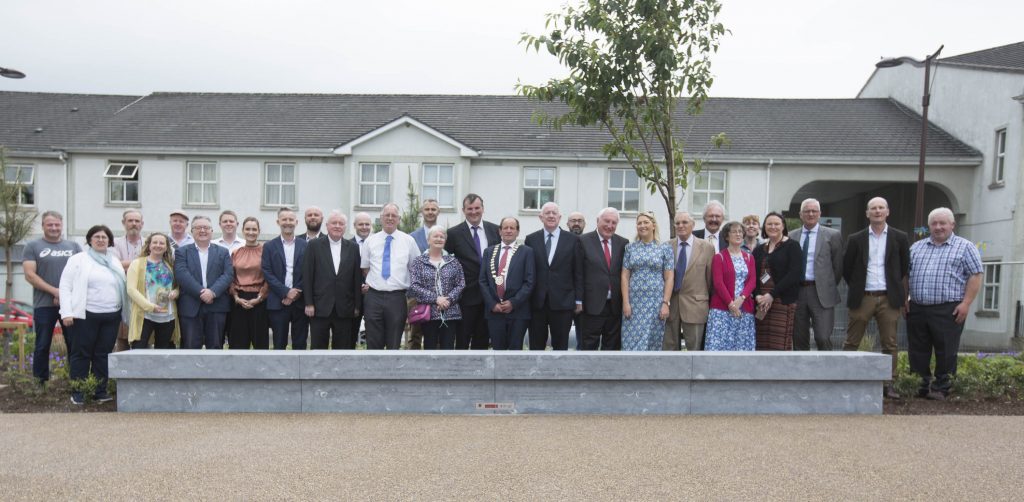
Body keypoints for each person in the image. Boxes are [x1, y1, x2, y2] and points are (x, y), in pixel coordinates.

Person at [907, 207, 982, 400]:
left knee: (946, 349)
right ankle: (919, 384)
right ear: (929, 226)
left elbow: (975, 275)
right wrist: (905, 299)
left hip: (949, 308)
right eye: (934, 223)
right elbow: (906, 275)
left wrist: (966, 303)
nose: (938, 227)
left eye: (942, 223)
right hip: (917, 306)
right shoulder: (917, 247)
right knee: (917, 349)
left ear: (952, 225)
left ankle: (942, 387)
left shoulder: (965, 247)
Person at [842, 197, 910, 398]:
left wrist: (895, 288)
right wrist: (857, 287)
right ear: (867, 213)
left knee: (889, 343)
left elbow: (904, 266)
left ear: (887, 211)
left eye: (881, 208)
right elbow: (847, 267)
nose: (877, 211)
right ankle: (845, 379)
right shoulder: (856, 238)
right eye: (873, 208)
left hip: (889, 298)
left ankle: (889, 383)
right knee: (851, 342)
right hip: (863, 296)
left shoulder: (900, 237)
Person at [58, 225, 126, 404]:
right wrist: (67, 312)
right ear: (89, 240)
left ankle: (99, 391)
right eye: (97, 237)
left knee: (103, 354)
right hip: (85, 315)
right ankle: (78, 392)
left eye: (104, 237)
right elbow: (65, 286)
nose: (101, 240)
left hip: (111, 315)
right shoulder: (78, 259)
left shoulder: (114, 260)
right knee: (81, 353)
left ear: (110, 241)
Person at [22, 211, 81, 386]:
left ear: (61, 225)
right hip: (44, 306)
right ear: (43, 226)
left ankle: (76, 382)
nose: (54, 228)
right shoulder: (32, 246)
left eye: (57, 224)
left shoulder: (74, 246)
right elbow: (29, 275)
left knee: (74, 344)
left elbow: (81, 274)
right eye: (50, 225)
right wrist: (56, 292)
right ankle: (40, 383)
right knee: (42, 345)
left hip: (70, 305)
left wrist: (65, 295)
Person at [445, 193, 500, 349]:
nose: (474, 212)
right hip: (466, 296)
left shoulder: (495, 230)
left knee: (482, 339)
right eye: (470, 209)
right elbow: (448, 263)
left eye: (477, 208)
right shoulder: (454, 233)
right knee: (462, 338)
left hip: (490, 295)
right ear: (464, 210)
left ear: (483, 209)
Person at [361, 203, 420, 349]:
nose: (390, 218)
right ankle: (374, 372)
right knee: (373, 342)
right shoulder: (370, 241)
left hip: (397, 298)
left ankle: (391, 372)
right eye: (386, 215)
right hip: (373, 297)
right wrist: (379, 283)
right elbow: (365, 268)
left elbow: (415, 268)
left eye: (393, 215)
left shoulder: (409, 241)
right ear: (381, 218)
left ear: (399, 219)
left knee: (394, 342)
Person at [525, 202, 582, 351]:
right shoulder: (531, 239)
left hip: (563, 302)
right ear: (541, 217)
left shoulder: (573, 240)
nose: (551, 216)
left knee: (561, 346)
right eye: (547, 213)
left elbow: (578, 272)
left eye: (554, 213)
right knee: (536, 346)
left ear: (560, 217)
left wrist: (578, 299)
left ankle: (558, 374)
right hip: (537, 303)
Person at [304, 211, 363, 349]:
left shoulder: (353, 248)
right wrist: (309, 303)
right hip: (319, 308)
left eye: (341, 223)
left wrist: (357, 306)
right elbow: (307, 276)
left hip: (345, 308)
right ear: (327, 225)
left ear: (345, 227)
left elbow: (356, 278)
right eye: (334, 223)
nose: (337, 226)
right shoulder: (314, 246)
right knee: (318, 348)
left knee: (342, 350)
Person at [174, 216, 234, 349]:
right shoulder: (182, 252)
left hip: (216, 305)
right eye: (198, 228)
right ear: (192, 231)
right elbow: (182, 275)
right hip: (190, 306)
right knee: (189, 347)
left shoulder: (223, 252)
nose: (202, 230)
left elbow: (228, 274)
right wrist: (202, 292)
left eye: (206, 228)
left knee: (215, 347)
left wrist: (212, 292)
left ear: (212, 231)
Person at [792, 198, 843, 351]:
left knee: (822, 337)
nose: (811, 214)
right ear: (800, 214)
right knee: (799, 338)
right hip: (798, 292)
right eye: (807, 211)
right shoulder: (792, 236)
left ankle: (827, 373)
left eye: (814, 211)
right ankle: (802, 373)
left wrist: (826, 285)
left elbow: (838, 266)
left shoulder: (833, 235)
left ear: (820, 214)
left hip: (821, 293)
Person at [621, 211, 673, 351]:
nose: (642, 225)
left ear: (653, 225)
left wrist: (665, 303)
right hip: (634, 302)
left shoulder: (665, 248)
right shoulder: (630, 248)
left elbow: (669, 278)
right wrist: (626, 302)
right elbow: (625, 276)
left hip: (655, 303)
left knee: (653, 339)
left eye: (646, 222)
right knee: (631, 341)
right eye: (639, 223)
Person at [480, 217, 535, 350]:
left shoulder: (526, 252)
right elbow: (482, 280)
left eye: (512, 228)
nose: (509, 231)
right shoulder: (489, 252)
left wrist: (514, 302)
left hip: (518, 311)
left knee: (514, 351)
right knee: (497, 351)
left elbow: (529, 282)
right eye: (505, 228)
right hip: (495, 312)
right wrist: (492, 304)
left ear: (517, 231)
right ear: (500, 231)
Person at [577, 207, 628, 350]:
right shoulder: (583, 241)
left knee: (612, 347)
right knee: (588, 346)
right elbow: (579, 274)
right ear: (598, 221)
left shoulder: (623, 243)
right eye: (607, 221)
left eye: (614, 223)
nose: (610, 226)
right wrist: (578, 300)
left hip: (615, 306)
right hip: (591, 305)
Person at [663, 211, 714, 351]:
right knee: (669, 347)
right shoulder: (666, 246)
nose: (680, 225)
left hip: (696, 305)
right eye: (677, 223)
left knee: (694, 349)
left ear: (693, 225)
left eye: (684, 222)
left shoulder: (707, 248)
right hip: (671, 304)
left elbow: (710, 279)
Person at [408, 226, 465, 350]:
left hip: (450, 313)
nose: (439, 239)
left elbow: (460, 284)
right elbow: (415, 286)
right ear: (428, 240)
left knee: (448, 348)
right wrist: (436, 299)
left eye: (442, 236)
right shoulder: (419, 262)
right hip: (429, 314)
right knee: (430, 349)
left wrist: (448, 300)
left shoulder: (453, 261)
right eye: (435, 236)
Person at [752, 212, 802, 350]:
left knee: (779, 344)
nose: (773, 227)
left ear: (783, 226)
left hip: (781, 301)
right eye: (769, 224)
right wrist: (757, 296)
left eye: (776, 224)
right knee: (760, 343)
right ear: (764, 227)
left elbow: (794, 274)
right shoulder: (759, 249)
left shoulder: (792, 246)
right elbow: (753, 276)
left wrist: (771, 295)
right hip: (761, 304)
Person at [262, 207, 310, 350]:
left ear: (296, 222)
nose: (287, 222)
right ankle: (279, 373)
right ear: (278, 222)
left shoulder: (306, 245)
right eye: (284, 219)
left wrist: (295, 292)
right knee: (278, 343)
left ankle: (299, 373)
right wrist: (285, 292)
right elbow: (267, 272)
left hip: (300, 302)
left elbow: (309, 272)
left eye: (291, 219)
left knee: (300, 343)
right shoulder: (269, 246)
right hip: (277, 301)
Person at [705, 221, 757, 351]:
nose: (738, 234)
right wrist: (731, 304)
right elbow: (718, 283)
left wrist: (741, 299)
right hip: (722, 310)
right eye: (734, 232)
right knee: (719, 347)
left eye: (740, 232)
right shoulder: (719, 257)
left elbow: (752, 281)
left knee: (741, 347)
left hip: (743, 309)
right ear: (727, 236)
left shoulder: (749, 258)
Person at [126, 232, 180, 349]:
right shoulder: (137, 264)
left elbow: (177, 286)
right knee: (139, 348)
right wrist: (150, 306)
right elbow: (131, 289)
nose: (158, 245)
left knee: (163, 350)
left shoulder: (170, 265)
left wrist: (176, 292)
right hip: (145, 314)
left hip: (167, 315)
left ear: (166, 247)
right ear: (149, 245)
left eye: (162, 243)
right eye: (155, 242)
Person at [227, 217, 269, 349]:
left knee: (260, 342)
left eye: (254, 229)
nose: (251, 232)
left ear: (259, 231)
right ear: (243, 231)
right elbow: (230, 277)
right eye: (248, 229)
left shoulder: (266, 251)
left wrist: (260, 298)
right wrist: (236, 297)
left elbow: (270, 277)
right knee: (238, 342)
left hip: (260, 299)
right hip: (239, 301)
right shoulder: (236, 252)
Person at [407, 200, 439, 350]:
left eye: (433, 209)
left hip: (439, 294)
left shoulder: (444, 235)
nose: (430, 212)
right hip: (417, 295)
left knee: (437, 334)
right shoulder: (411, 237)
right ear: (422, 211)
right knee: (415, 335)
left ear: (438, 212)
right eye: (427, 209)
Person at [112, 209, 145, 352]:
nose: (134, 224)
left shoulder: (149, 242)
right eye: (130, 221)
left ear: (142, 224)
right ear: (123, 223)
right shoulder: (114, 243)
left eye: (137, 221)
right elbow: (114, 264)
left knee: (144, 337)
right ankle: (121, 373)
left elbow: (154, 264)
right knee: (122, 337)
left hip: (144, 295)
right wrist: (141, 262)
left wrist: (126, 263)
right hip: (122, 294)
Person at [350, 211, 372, 344]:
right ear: (354, 226)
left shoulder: (378, 243)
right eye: (361, 224)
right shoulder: (346, 245)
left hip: (373, 294)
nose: (364, 227)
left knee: (374, 335)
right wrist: (358, 286)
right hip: (352, 297)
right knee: (351, 335)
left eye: (367, 224)